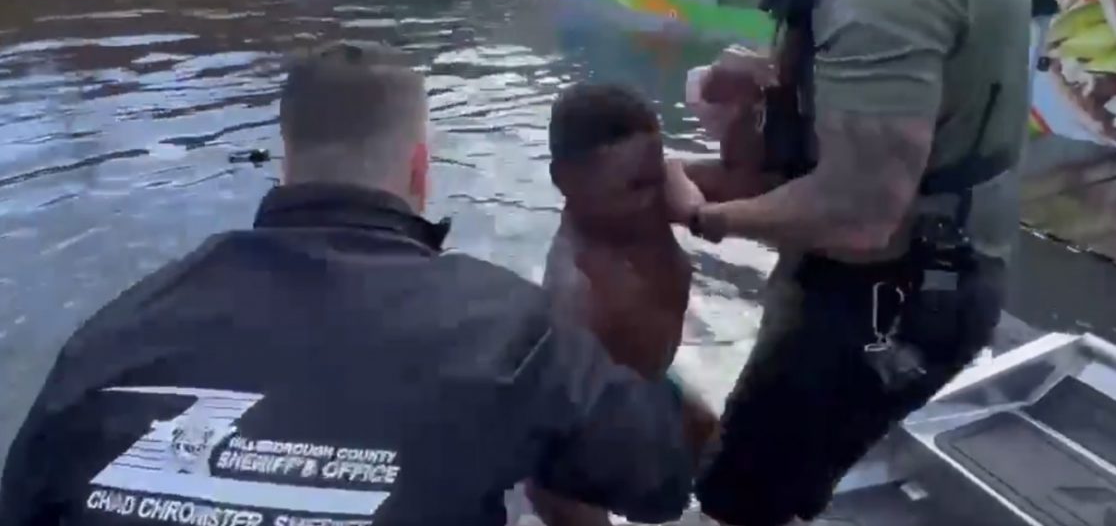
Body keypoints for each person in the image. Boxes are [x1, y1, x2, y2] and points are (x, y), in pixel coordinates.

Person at [0, 42, 714, 526]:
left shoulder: (111, 334)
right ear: (418, 168)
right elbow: (655, 481)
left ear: (286, 160)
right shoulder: (512, 328)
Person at [673, 0, 1049, 525]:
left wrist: (701, 212)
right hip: (927, 269)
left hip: (890, 293)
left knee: (745, 492)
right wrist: (769, 87)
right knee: (780, 464)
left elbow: (860, 211)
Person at [528, 83, 698, 526]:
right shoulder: (579, 291)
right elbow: (559, 425)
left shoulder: (637, 207)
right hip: (582, 441)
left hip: (649, 385)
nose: (656, 199)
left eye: (658, 175)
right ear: (566, 181)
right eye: (636, 186)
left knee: (741, 462)